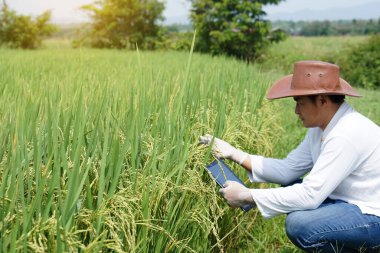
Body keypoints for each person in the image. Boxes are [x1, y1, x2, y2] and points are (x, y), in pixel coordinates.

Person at [199, 60, 380, 252]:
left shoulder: (346, 134)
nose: (296, 111)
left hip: (372, 215)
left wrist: (247, 195)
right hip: (345, 202)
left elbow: (310, 195)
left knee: (300, 224)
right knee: (291, 186)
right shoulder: (322, 127)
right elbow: (287, 170)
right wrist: (233, 153)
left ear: (323, 101)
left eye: (300, 104)